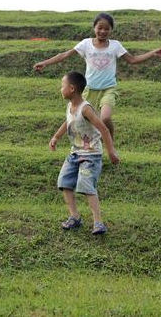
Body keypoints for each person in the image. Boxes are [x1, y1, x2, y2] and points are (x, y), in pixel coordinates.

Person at [33, 12, 161, 138]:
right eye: (100, 28)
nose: (103, 31)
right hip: (89, 89)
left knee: (105, 118)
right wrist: (45, 63)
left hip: (108, 89)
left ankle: (110, 145)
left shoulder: (115, 45)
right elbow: (65, 55)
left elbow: (133, 60)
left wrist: (152, 53)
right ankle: (71, 141)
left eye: (107, 29)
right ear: (94, 28)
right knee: (77, 117)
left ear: (111, 30)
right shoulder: (85, 44)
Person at [50, 71, 120, 235]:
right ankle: (74, 216)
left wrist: (111, 152)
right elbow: (67, 122)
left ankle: (98, 222)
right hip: (75, 153)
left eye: (63, 86)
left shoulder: (86, 109)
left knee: (87, 186)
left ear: (72, 88)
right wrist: (56, 137)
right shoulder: (70, 106)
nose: (61, 89)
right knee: (64, 182)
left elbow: (103, 129)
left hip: (91, 155)